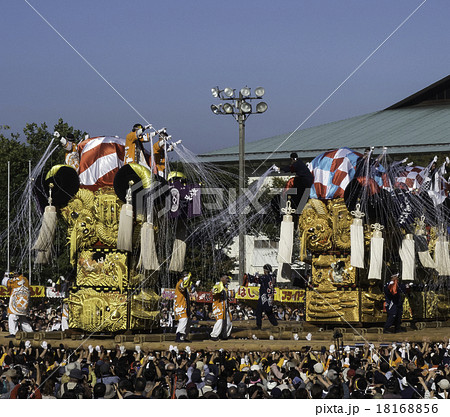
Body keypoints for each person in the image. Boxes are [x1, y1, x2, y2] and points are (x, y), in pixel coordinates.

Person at [1, 272, 33, 337]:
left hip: (17, 304)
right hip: (23, 305)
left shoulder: (16, 280)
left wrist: (5, 276)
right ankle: (30, 332)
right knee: (22, 319)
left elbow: (5, 283)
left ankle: (13, 333)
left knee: (12, 316)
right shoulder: (25, 280)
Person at [174, 271, 195, 342]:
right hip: (180, 306)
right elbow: (182, 286)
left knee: (188, 322)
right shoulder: (180, 283)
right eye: (185, 276)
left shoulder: (186, 285)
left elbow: (191, 289)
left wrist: (194, 286)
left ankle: (183, 337)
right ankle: (178, 336)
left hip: (186, 306)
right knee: (183, 320)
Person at [255, 264, 278, 329]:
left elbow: (257, 280)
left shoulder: (265, 277)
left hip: (264, 296)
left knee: (259, 311)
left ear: (266, 270)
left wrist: (255, 276)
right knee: (269, 312)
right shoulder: (273, 277)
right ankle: (275, 324)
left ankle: (259, 326)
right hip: (270, 297)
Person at [210, 275, 232, 341]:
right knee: (220, 320)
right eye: (226, 278)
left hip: (225, 307)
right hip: (218, 306)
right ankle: (214, 335)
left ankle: (225, 335)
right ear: (221, 278)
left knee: (228, 322)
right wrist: (217, 290)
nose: (227, 280)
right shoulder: (217, 285)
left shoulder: (225, 288)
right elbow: (213, 291)